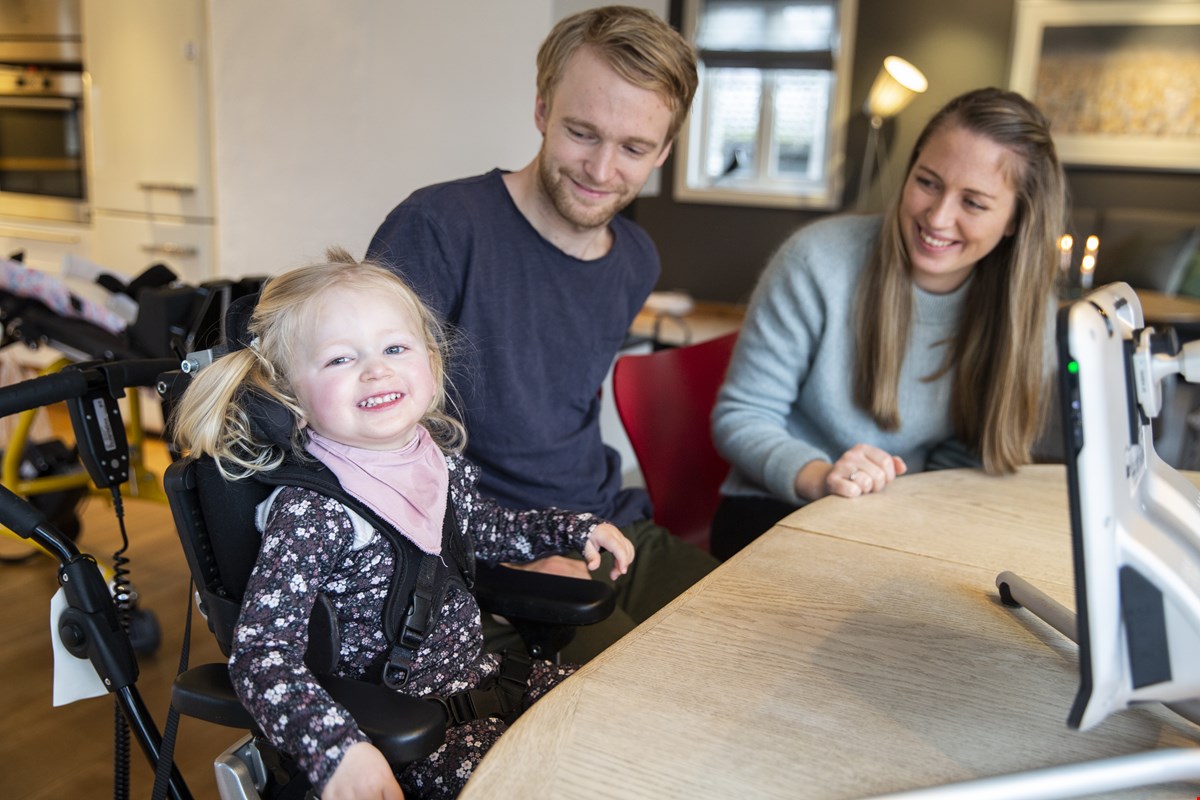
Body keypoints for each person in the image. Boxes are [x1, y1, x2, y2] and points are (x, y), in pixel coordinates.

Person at [170, 249, 634, 800]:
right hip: (397, 734)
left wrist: (568, 530)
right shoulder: (313, 511)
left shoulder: (436, 460)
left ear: (432, 366)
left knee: (622, 725)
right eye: (340, 359)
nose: (376, 369)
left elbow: (480, 528)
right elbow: (261, 655)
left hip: (483, 682)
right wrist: (339, 752)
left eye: (395, 348)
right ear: (289, 395)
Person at [366, 5, 716, 662]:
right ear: (541, 110)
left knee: (752, 643)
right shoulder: (439, 227)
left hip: (604, 522)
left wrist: (576, 532)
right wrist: (504, 548)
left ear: (664, 152)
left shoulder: (636, 259)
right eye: (582, 132)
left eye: (635, 148)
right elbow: (361, 442)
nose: (603, 169)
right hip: (479, 550)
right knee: (657, 696)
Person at [710, 87, 1066, 560]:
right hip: (782, 506)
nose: (938, 217)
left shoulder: (1029, 312)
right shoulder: (817, 259)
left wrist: (914, 511)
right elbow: (741, 415)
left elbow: (971, 453)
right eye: (928, 182)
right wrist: (822, 475)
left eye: (974, 203)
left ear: (1017, 220)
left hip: (910, 516)